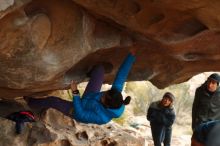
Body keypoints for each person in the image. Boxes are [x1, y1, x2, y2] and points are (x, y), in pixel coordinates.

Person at [25, 48, 136, 124]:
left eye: (103, 97)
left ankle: (31, 102)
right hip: (90, 96)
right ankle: (88, 73)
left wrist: (75, 93)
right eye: (105, 93)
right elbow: (121, 76)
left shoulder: (102, 118)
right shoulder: (115, 95)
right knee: (99, 69)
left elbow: (81, 113)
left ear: (106, 105)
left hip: (77, 110)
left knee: (53, 101)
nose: (103, 94)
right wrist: (131, 56)